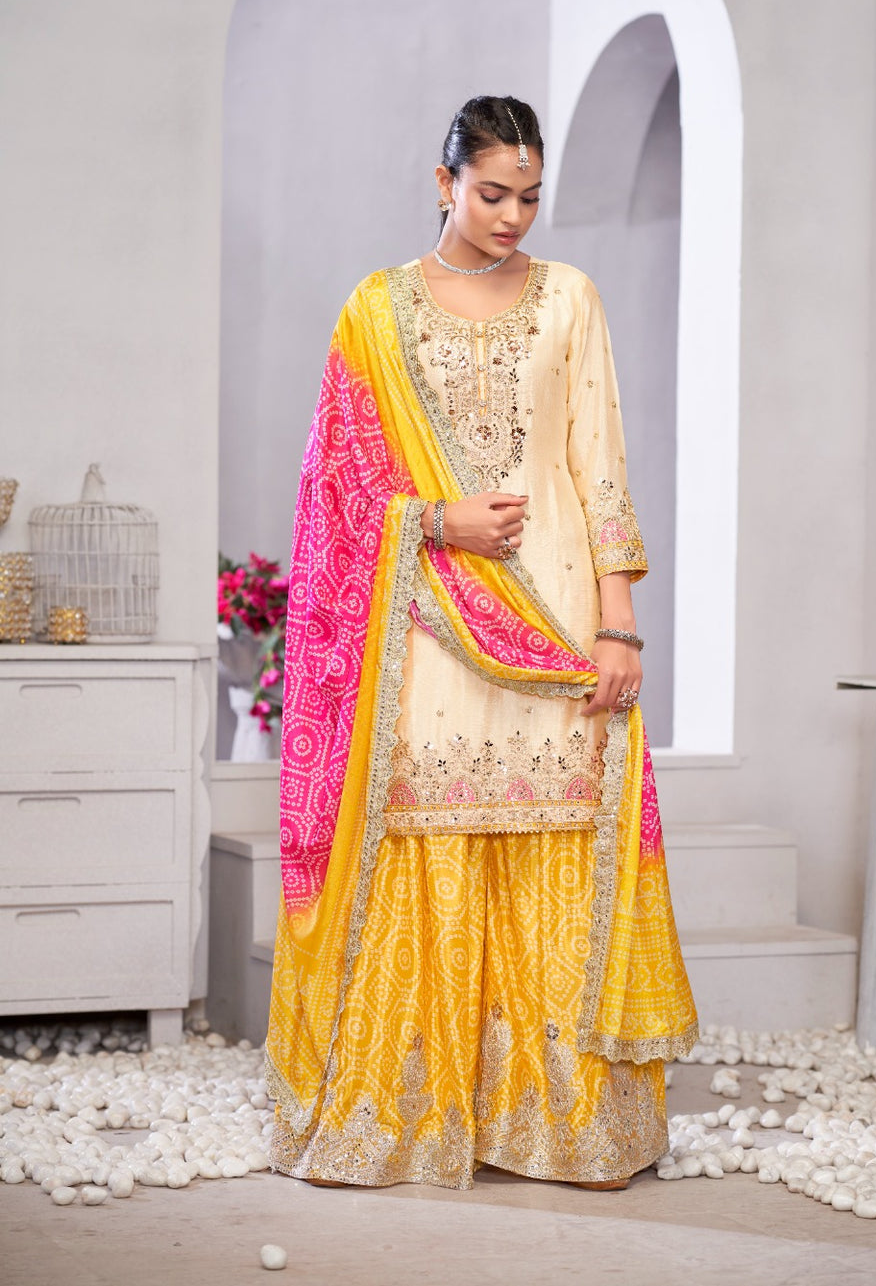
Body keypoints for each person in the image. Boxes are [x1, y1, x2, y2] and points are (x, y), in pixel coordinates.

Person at [265, 95, 697, 1191]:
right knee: (423, 842)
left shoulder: (570, 300)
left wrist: (618, 623)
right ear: (445, 179)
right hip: (426, 627)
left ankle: (553, 1121)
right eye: (492, 192)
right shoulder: (375, 310)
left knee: (556, 836)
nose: (512, 215)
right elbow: (337, 491)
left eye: (530, 195)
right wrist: (432, 522)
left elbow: (600, 466)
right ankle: (412, 1113)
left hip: (551, 624)